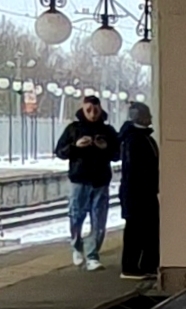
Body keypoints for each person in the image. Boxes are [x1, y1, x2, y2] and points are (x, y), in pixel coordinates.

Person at [53, 95, 118, 269]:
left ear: (100, 109)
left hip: (100, 180)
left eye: (96, 110)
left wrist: (106, 148)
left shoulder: (108, 131)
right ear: (82, 109)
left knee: (99, 220)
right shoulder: (73, 129)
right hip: (79, 180)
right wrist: (76, 147)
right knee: (76, 215)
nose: (93, 114)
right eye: (89, 110)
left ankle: (92, 255)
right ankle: (76, 247)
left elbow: (117, 154)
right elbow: (59, 151)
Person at [115, 102, 162, 280]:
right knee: (137, 231)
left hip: (141, 192)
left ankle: (146, 265)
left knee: (147, 230)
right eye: (147, 115)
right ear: (139, 117)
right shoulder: (135, 140)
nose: (150, 118)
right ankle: (131, 266)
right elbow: (137, 170)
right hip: (138, 193)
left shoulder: (139, 138)